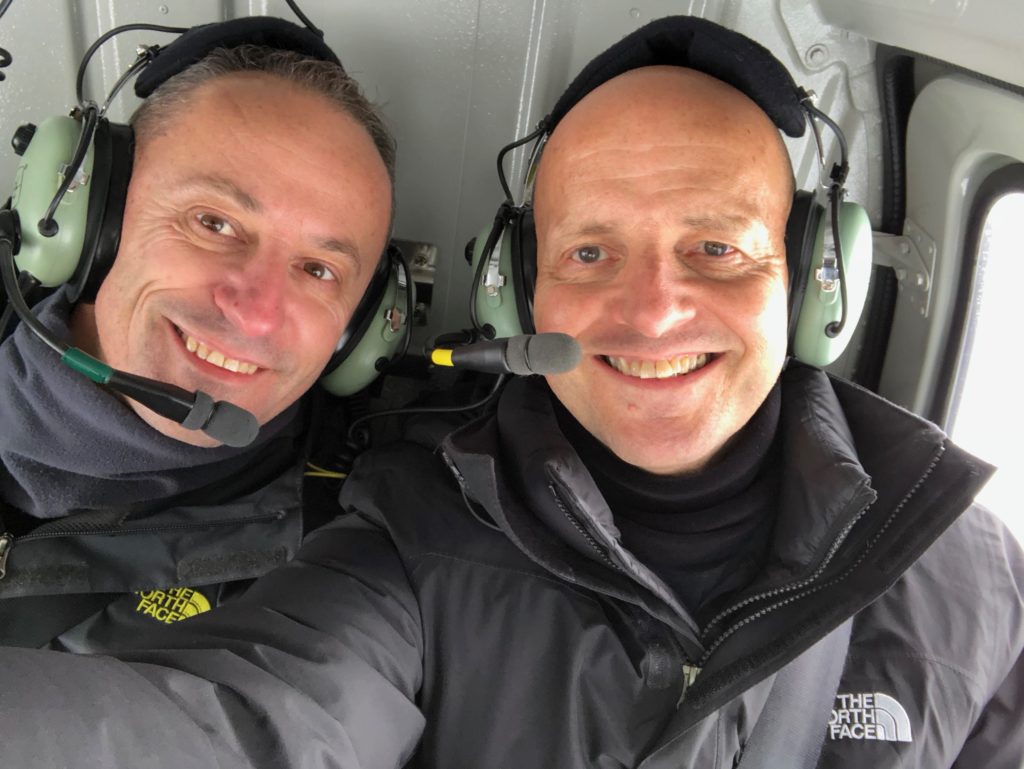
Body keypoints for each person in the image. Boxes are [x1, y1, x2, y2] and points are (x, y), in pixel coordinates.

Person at [0, 15, 1021, 769]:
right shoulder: (415, 542)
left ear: (808, 283)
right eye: (591, 251)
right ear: (517, 293)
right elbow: (240, 725)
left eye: (714, 247)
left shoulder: (970, 568)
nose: (653, 311)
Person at [0, 17, 397, 649]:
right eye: (214, 222)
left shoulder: (347, 568)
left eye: (319, 270)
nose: (257, 313)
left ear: (361, 330)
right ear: (83, 215)